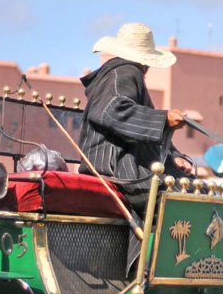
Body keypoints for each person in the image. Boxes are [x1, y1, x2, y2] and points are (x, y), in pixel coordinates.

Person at [78, 22, 193, 276]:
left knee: (184, 185)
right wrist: (164, 119)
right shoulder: (124, 73)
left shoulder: (126, 73)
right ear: (147, 60)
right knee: (171, 200)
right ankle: (150, 272)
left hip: (123, 163)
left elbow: (146, 130)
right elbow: (112, 109)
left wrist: (176, 159)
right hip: (111, 165)